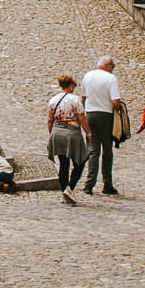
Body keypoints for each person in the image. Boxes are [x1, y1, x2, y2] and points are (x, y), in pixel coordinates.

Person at [46, 71, 90, 204]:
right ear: (70, 85)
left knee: (63, 163)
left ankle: (64, 190)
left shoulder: (53, 100)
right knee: (80, 161)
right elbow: (82, 119)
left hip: (57, 132)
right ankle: (69, 188)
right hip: (72, 133)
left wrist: (52, 133)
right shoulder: (75, 100)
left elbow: (49, 120)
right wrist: (88, 133)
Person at [81, 57, 122, 195]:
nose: (113, 68)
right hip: (105, 115)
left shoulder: (88, 76)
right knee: (107, 152)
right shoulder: (111, 78)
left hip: (90, 114)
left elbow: (83, 98)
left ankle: (89, 184)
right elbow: (115, 101)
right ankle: (107, 184)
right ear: (107, 65)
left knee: (93, 151)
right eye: (113, 65)